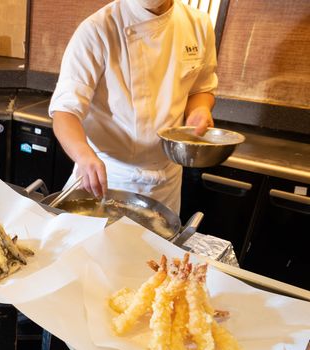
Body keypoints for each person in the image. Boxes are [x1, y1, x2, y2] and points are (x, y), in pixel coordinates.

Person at [49, 0, 217, 213]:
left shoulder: (198, 24)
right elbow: (64, 112)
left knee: (160, 235)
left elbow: (201, 88)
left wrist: (200, 109)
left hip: (167, 179)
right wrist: (83, 155)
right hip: (109, 177)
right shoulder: (97, 29)